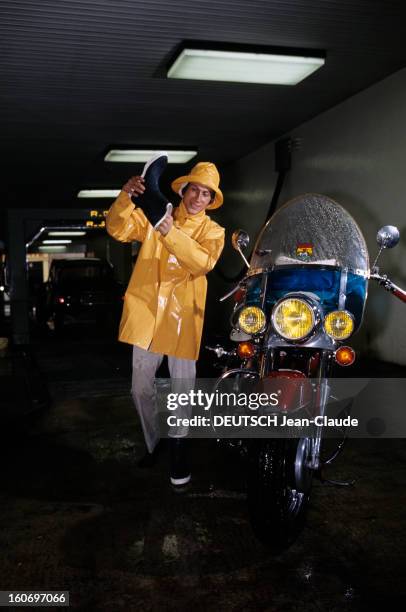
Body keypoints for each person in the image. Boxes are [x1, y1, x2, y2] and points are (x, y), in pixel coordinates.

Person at [106, 161, 225, 487]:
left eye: (206, 194)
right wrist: (127, 197)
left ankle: (179, 451)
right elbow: (116, 229)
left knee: (182, 391)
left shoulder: (213, 232)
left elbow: (200, 263)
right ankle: (154, 442)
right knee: (140, 388)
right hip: (148, 313)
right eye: (194, 190)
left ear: (210, 200)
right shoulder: (157, 215)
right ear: (184, 191)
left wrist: (168, 228)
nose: (198, 198)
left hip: (184, 318)